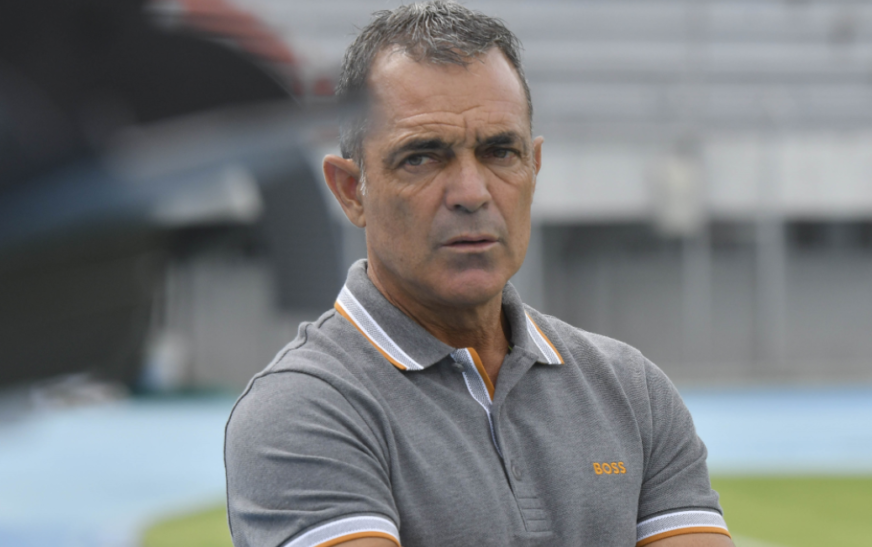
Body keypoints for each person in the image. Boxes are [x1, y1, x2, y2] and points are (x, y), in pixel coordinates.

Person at [224, 2, 734, 547]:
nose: (471, 193)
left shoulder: (631, 390)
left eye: (499, 152)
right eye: (422, 157)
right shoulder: (303, 409)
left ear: (534, 168)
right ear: (352, 191)